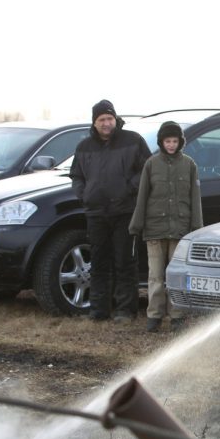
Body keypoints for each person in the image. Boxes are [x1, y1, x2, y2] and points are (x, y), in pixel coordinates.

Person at [70, 99, 152, 321]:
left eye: (110, 118)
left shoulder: (133, 141)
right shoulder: (84, 147)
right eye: (101, 119)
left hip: (124, 211)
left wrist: (128, 189)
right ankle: (98, 310)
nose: (106, 123)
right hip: (96, 213)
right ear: (94, 122)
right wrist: (83, 193)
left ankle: (125, 310)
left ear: (116, 119)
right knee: (99, 263)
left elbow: (147, 169)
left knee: (125, 262)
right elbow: (76, 175)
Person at [129, 121, 203, 332]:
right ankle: (154, 316)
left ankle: (177, 316)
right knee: (155, 276)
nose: (171, 145)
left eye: (175, 141)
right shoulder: (151, 164)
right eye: (167, 141)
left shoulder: (189, 164)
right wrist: (137, 225)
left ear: (180, 142)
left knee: (177, 276)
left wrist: (196, 228)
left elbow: (195, 199)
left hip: (180, 230)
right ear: (161, 142)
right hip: (154, 229)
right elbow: (142, 196)